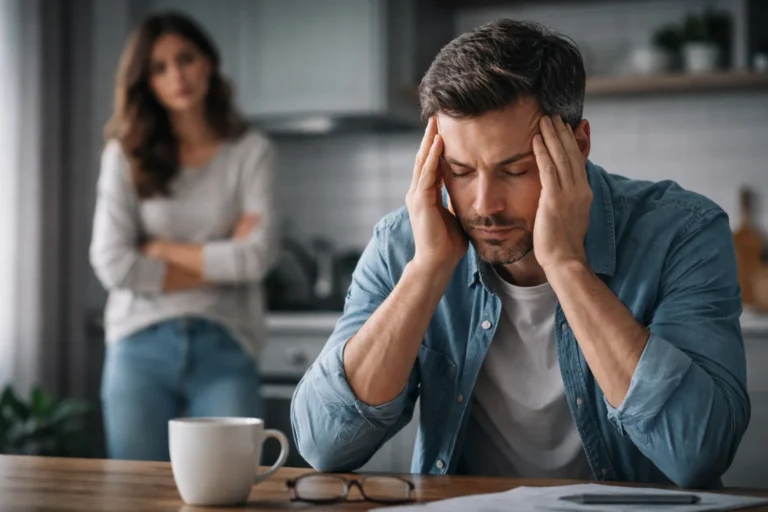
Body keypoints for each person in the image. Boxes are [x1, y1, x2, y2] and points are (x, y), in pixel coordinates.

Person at [291, 19, 750, 488]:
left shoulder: (683, 231)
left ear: (578, 145)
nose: (484, 205)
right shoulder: (403, 245)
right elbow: (325, 444)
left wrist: (568, 266)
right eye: (460, 170)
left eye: (515, 170)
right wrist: (427, 270)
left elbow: (697, 453)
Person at [90, 12, 277, 461]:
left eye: (186, 58)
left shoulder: (251, 152)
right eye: (159, 67)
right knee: (136, 496)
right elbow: (112, 262)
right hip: (138, 344)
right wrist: (222, 259)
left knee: (233, 486)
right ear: (146, 82)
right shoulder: (125, 153)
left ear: (208, 62)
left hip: (226, 341)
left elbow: (258, 257)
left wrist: (160, 251)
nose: (177, 75)